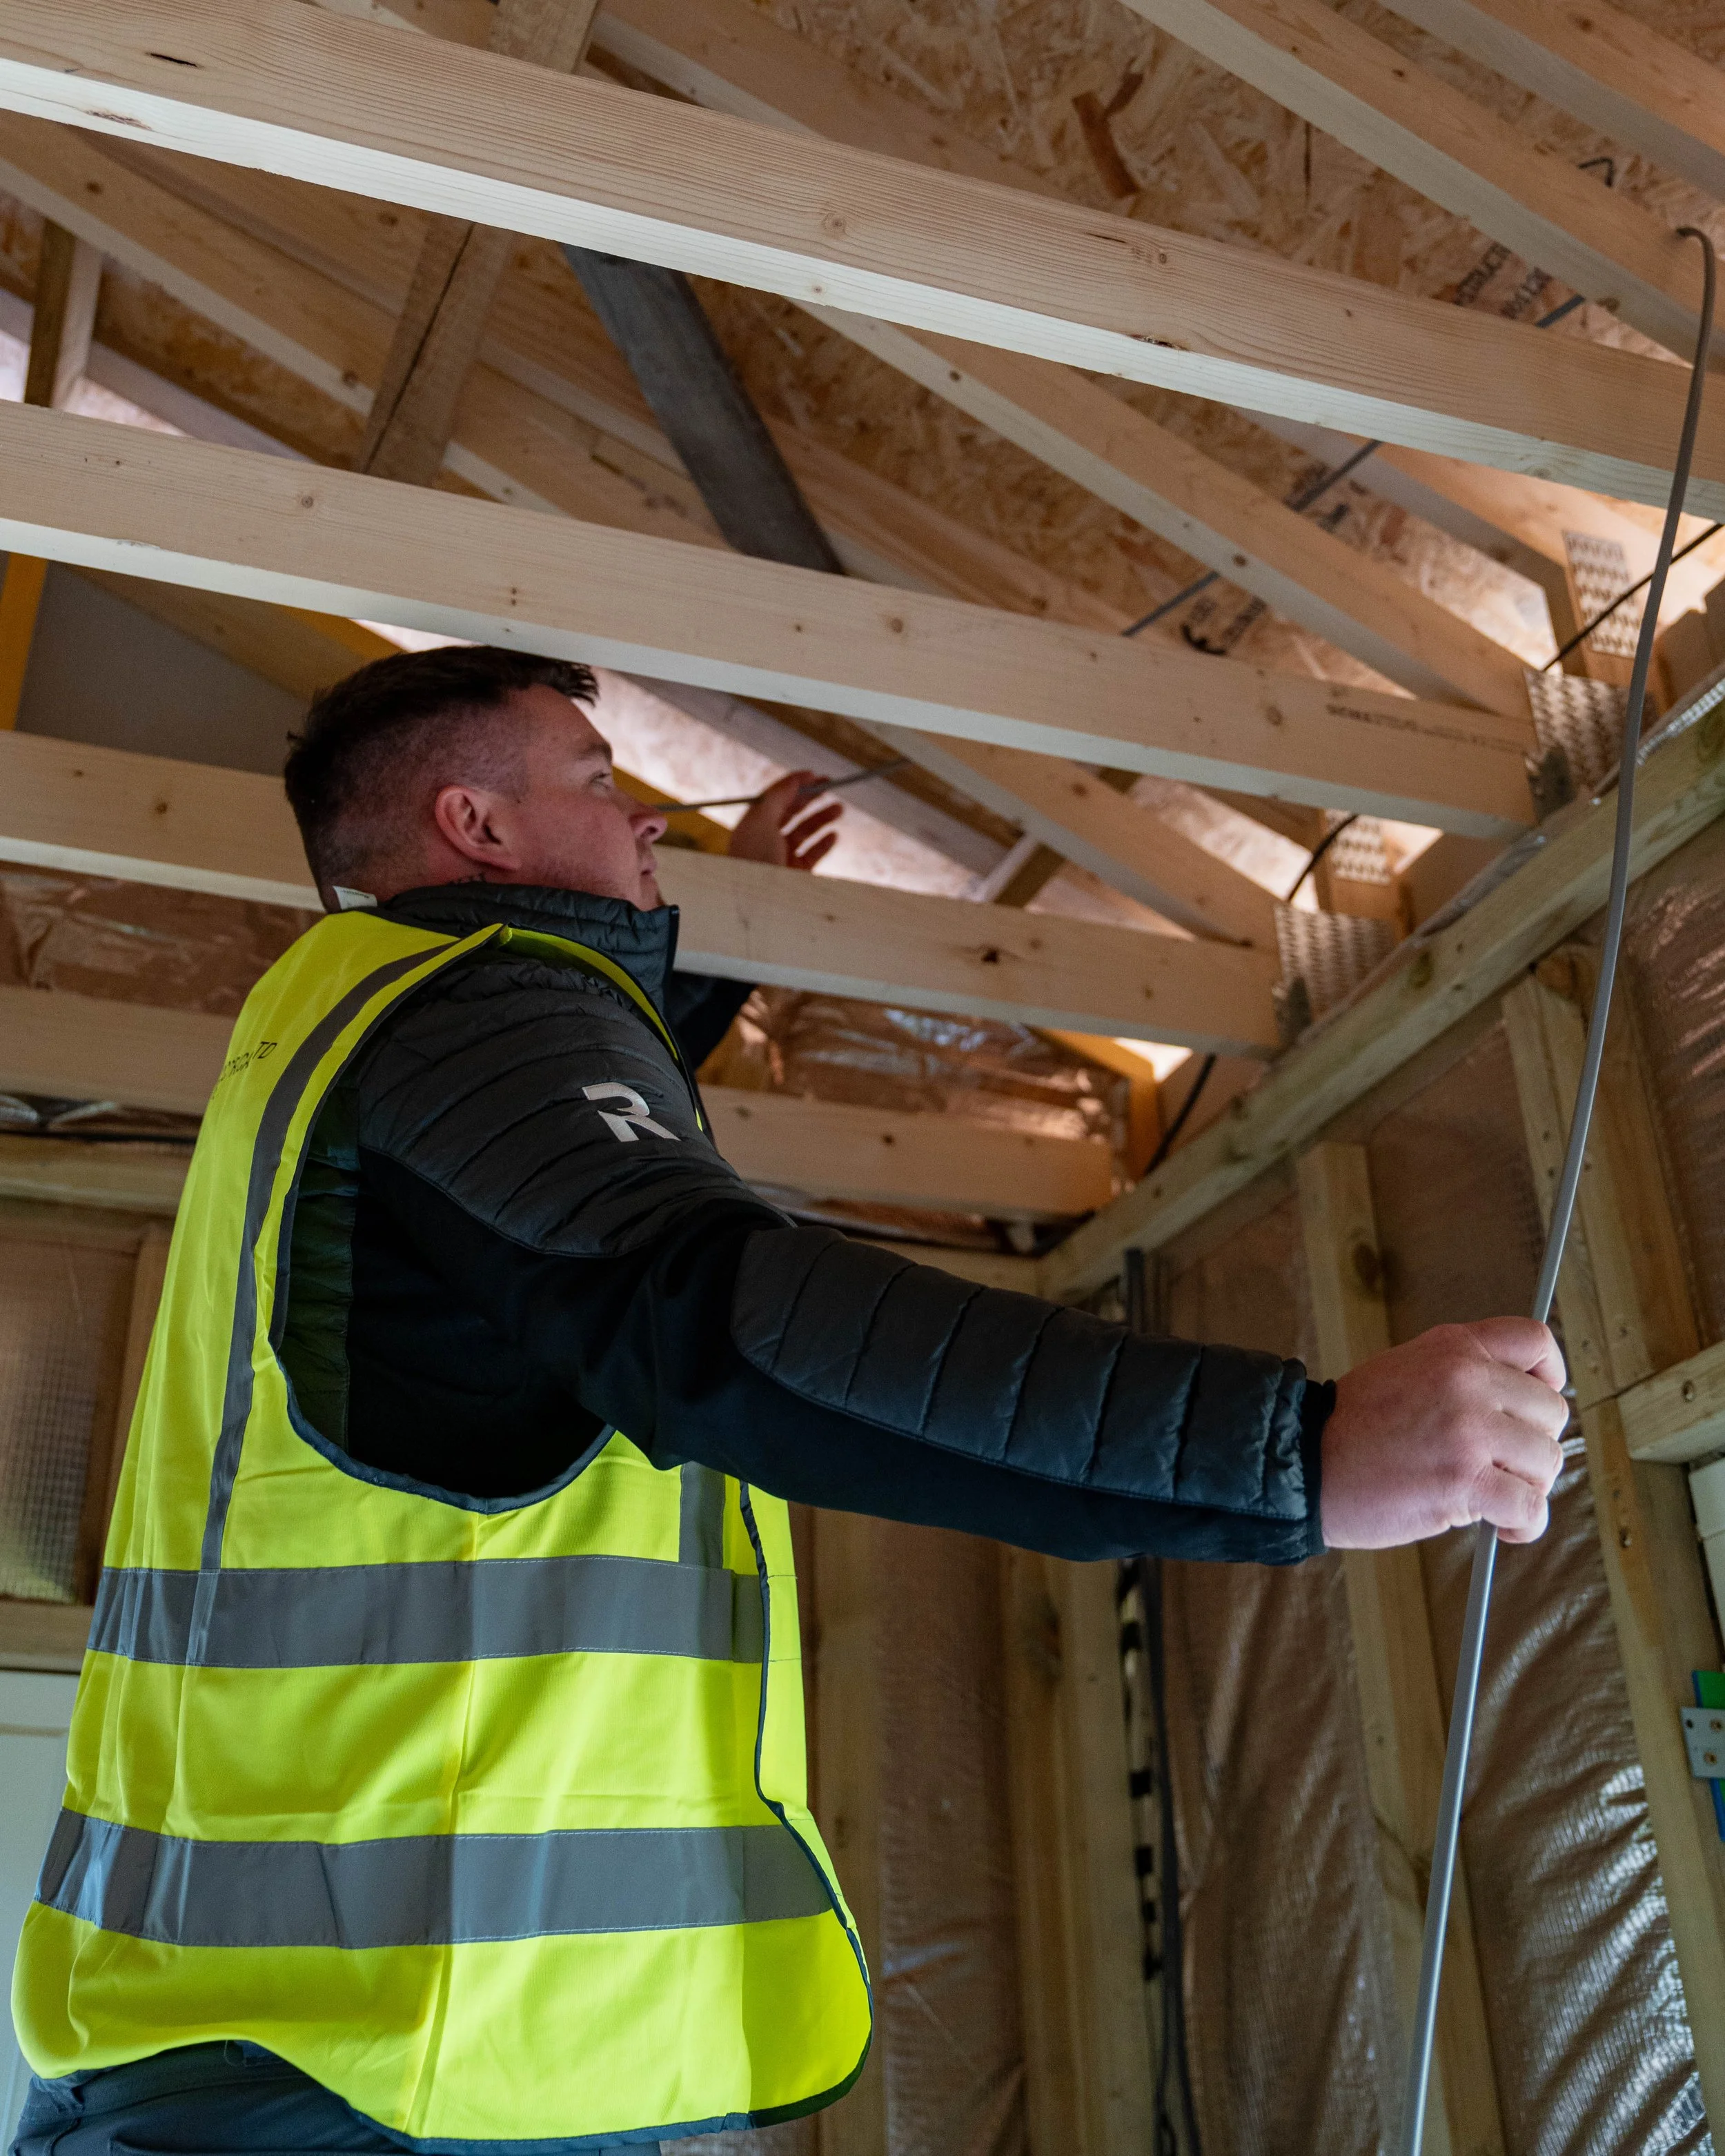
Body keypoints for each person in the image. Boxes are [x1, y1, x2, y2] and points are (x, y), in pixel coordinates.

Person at [10, 648, 1567, 2156]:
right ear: (473, 828)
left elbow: (551, 1179)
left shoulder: (344, 1024)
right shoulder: (465, 1005)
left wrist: (708, 957)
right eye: (601, 779)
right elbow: (700, 1303)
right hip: (372, 2069)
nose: (646, 821)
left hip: (318, 2040)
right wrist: (1288, 1451)